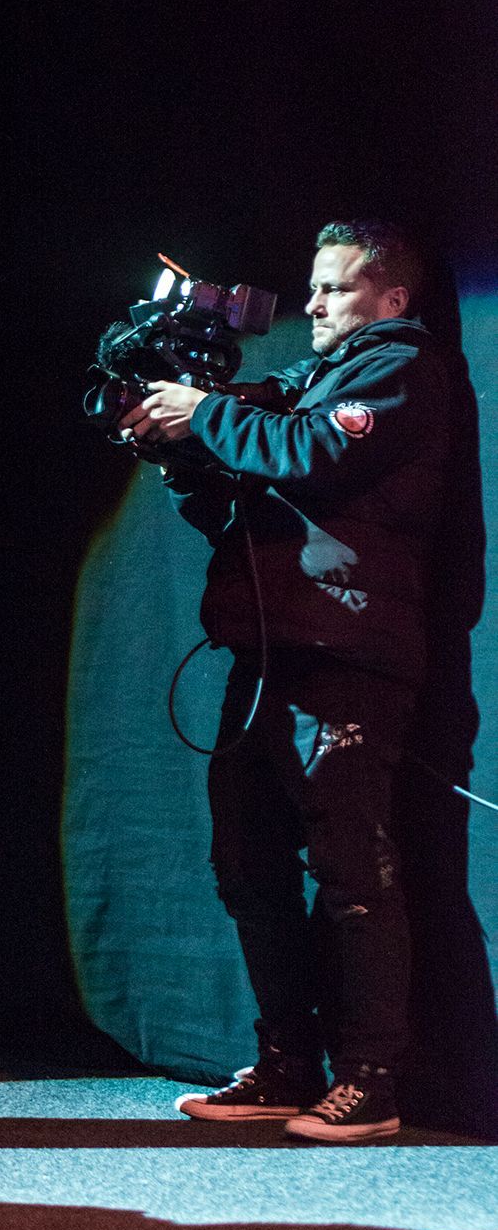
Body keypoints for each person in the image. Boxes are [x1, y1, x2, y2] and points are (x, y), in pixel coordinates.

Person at [122, 220, 451, 1143]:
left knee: (352, 873)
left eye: (334, 289)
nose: (310, 305)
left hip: (347, 659)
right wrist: (177, 448)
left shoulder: (402, 370)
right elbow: (252, 477)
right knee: (244, 864)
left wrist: (207, 415)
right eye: (311, 287)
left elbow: (312, 452)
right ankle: (287, 1063)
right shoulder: (312, 379)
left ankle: (373, 1079)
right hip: (271, 654)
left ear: (390, 299)